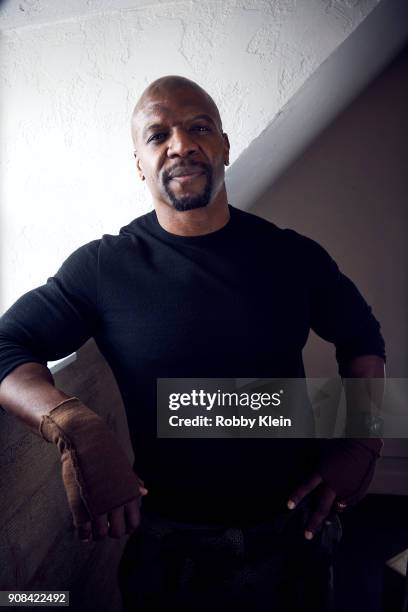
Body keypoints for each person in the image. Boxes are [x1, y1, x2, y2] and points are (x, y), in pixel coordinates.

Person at [0, 75, 385, 612]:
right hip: (173, 550)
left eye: (198, 127)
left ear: (223, 144)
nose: (180, 144)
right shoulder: (103, 268)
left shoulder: (292, 256)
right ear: (139, 163)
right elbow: (8, 344)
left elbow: (362, 336)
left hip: (296, 533)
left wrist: (363, 441)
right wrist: (74, 424)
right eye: (157, 136)